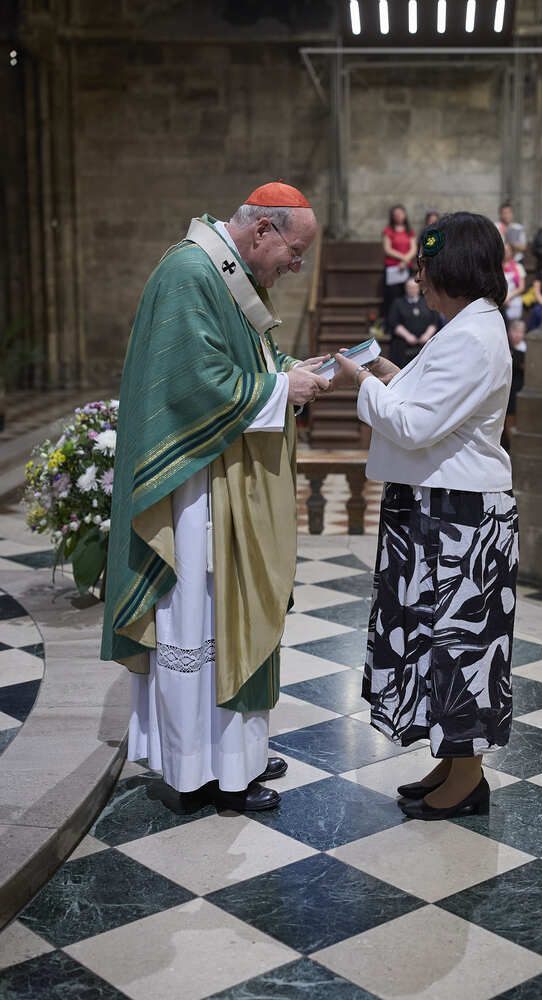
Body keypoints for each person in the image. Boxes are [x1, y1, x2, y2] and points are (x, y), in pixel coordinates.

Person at [101, 181, 330, 813]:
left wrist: (289, 372)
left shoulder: (228, 273)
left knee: (231, 617)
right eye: (295, 252)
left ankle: (236, 758)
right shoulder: (189, 273)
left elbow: (246, 357)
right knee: (199, 620)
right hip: (196, 493)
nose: (296, 266)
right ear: (262, 231)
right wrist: (280, 390)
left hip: (227, 480)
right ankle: (198, 771)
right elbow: (195, 384)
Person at [333, 212, 518, 821]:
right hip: (437, 510)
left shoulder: (473, 335)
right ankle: (452, 763)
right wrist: (390, 374)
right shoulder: (465, 326)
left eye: (427, 269)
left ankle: (468, 780)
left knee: (459, 647)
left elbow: (416, 427)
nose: (419, 280)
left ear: (455, 270)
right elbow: (434, 403)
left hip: (459, 519)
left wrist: (361, 383)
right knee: (432, 640)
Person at [386, 276, 441, 368]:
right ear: (405, 288)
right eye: (409, 287)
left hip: (425, 344)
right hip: (403, 346)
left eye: (414, 287)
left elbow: (435, 321)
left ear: (419, 288)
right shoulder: (398, 303)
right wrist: (408, 336)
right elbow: (393, 323)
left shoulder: (427, 302)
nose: (412, 290)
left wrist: (427, 335)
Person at [382, 205, 417, 323]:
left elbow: (413, 249)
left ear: (405, 215)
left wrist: (406, 260)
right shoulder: (388, 231)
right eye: (395, 215)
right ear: (392, 217)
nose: (398, 216)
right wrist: (403, 258)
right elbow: (387, 249)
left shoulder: (410, 231)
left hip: (407, 268)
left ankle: (407, 321)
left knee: (408, 295)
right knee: (393, 297)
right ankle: (392, 322)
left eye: (400, 214)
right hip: (393, 268)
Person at [502, 318, 527, 451]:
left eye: (519, 332)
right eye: (514, 331)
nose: (516, 335)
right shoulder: (505, 347)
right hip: (509, 388)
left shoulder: (526, 349)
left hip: (520, 388)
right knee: (508, 419)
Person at [502, 242, 525, 326]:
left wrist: (509, 297)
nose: (506, 252)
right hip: (501, 302)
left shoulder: (518, 267)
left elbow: (521, 287)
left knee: (513, 326)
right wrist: (503, 298)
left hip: (514, 301)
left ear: (512, 252)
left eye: (508, 250)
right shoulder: (498, 268)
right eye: (504, 250)